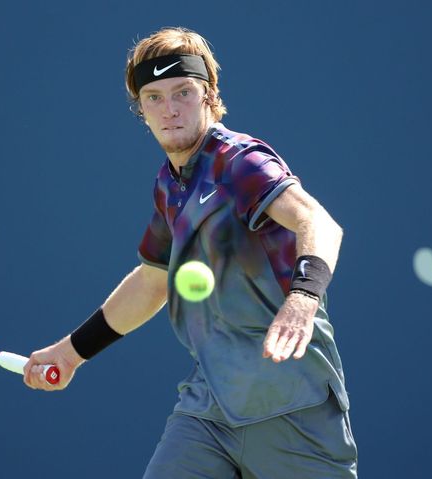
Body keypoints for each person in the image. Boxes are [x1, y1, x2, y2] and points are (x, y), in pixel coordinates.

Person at [24, 27, 358, 478]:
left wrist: (302, 297)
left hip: (292, 405)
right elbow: (152, 282)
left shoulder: (240, 162)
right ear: (140, 109)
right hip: (208, 409)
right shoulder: (170, 184)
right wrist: (70, 353)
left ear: (208, 94)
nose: (170, 109)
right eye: (154, 97)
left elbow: (318, 222)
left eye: (182, 92)